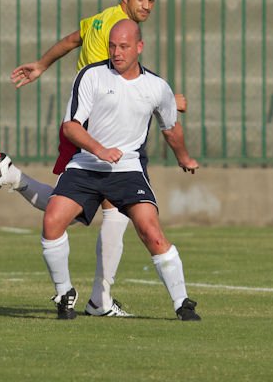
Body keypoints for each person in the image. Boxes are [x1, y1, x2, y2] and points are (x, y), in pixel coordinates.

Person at [0, 0, 186, 317]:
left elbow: (73, 39)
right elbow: (117, 78)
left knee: (97, 208)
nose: (146, 6)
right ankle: (16, 179)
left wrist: (42, 64)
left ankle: (99, 298)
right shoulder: (119, 28)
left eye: (151, 0)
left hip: (89, 123)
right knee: (96, 208)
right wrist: (168, 101)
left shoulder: (103, 17)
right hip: (95, 127)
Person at [43, 19, 200, 320]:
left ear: (139, 47)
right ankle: (65, 295)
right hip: (86, 165)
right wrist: (99, 149)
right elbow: (71, 126)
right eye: (113, 46)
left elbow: (171, 128)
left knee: (150, 231)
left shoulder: (156, 87)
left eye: (124, 46)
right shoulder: (91, 76)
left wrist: (184, 157)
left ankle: (182, 303)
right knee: (52, 220)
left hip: (127, 170)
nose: (117, 52)